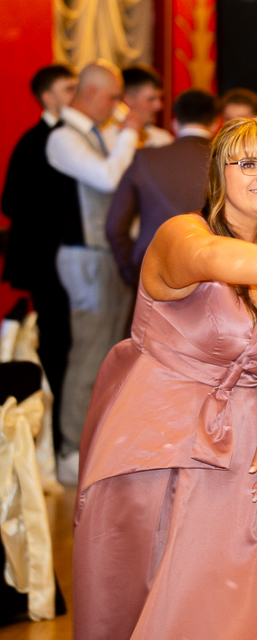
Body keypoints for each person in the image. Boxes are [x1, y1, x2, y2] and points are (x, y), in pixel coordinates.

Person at [73, 117, 257, 640]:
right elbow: (213, 259)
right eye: (249, 163)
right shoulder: (183, 234)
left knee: (227, 594)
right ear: (219, 174)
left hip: (242, 452)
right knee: (157, 593)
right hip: (157, 442)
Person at [46, 60, 145, 483]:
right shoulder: (62, 139)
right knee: (88, 353)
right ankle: (70, 449)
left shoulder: (96, 135)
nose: (117, 105)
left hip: (106, 254)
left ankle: (95, 444)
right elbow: (108, 179)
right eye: (112, 96)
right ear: (90, 94)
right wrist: (129, 131)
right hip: (84, 257)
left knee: (108, 354)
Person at [1, 64, 78, 453]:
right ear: (48, 97)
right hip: (47, 263)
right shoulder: (36, 141)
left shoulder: (68, 137)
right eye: (69, 89)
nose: (76, 96)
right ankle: (58, 438)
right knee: (55, 344)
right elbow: (11, 200)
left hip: (58, 261)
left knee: (65, 342)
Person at [106, 88, 218, 287]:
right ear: (216, 123)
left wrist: (130, 271)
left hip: (152, 268)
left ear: (175, 123)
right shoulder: (227, 162)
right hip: (214, 271)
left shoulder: (145, 159)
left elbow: (115, 226)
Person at [121, 65, 173, 148]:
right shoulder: (109, 138)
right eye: (151, 99)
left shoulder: (162, 140)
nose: (159, 106)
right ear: (128, 99)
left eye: (159, 98)